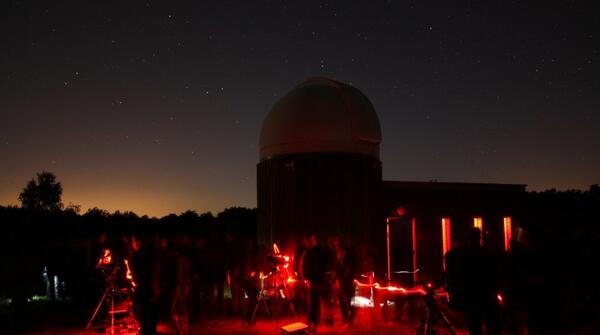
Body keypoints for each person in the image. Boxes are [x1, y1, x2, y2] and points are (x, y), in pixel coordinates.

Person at [460, 227, 500, 335]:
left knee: (475, 327)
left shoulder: (465, 255)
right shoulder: (487, 254)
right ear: (479, 238)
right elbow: (494, 274)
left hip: (473, 297)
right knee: (491, 326)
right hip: (487, 295)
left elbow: (462, 277)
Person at [301, 235, 328, 331]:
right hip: (312, 280)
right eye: (313, 240)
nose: (315, 241)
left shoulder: (320, 252)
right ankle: (311, 322)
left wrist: (323, 278)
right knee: (313, 302)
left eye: (316, 240)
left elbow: (324, 266)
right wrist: (306, 279)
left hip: (317, 280)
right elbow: (303, 267)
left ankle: (314, 323)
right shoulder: (308, 252)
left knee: (315, 302)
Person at [331, 236, 356, 324]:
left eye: (338, 243)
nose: (336, 245)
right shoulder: (336, 254)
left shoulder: (348, 254)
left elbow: (349, 268)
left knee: (348, 300)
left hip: (346, 281)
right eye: (335, 244)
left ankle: (351, 318)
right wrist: (335, 279)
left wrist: (344, 278)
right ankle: (345, 318)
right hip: (339, 281)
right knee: (341, 300)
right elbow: (335, 268)